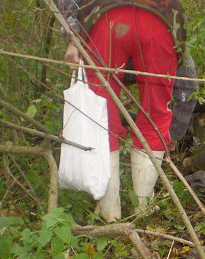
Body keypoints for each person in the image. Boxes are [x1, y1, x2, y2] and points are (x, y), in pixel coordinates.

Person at [58, 0, 187, 221]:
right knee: (155, 113)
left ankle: (110, 213)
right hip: (160, 19)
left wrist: (72, 34)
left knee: (100, 116)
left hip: (104, 18)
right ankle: (143, 208)